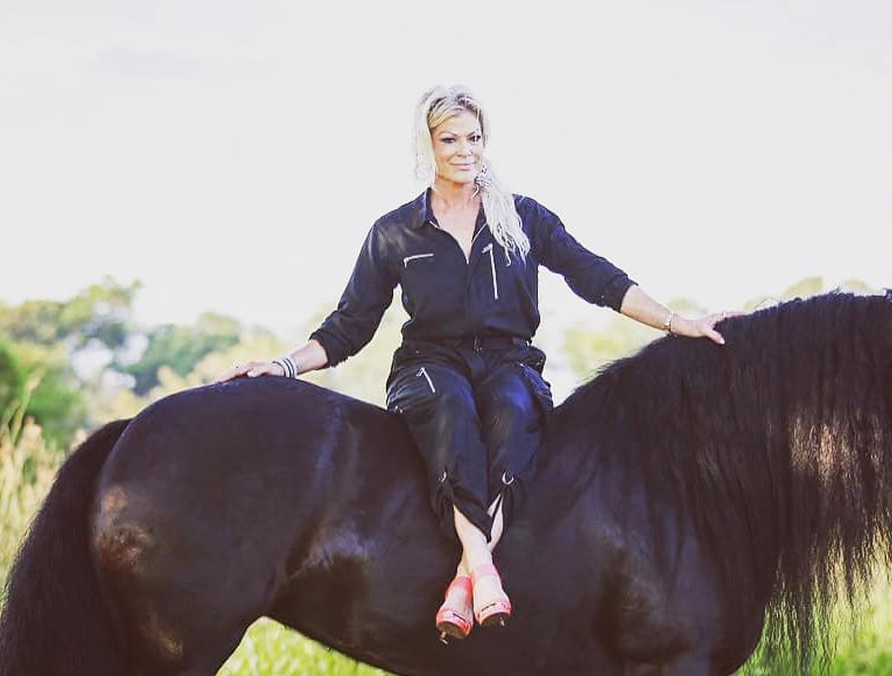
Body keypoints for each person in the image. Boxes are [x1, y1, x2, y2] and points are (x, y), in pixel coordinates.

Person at [219, 84, 732, 641]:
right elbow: (349, 326)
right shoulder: (395, 232)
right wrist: (284, 366)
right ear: (428, 146)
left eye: (474, 138)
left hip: (509, 361)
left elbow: (597, 278)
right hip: (428, 366)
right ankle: (484, 567)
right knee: (451, 405)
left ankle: (465, 578)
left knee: (513, 408)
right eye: (450, 139)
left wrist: (676, 321)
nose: (465, 150)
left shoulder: (523, 218)